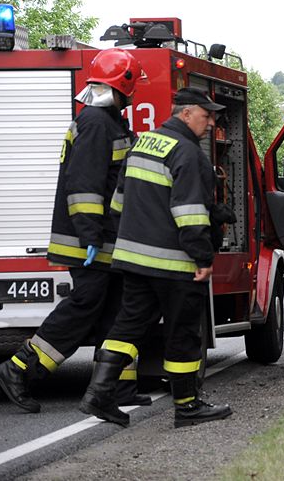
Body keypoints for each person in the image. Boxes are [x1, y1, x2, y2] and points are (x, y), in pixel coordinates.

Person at [0, 48, 150, 413]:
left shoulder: (108, 121)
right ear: (122, 84)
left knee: (116, 308)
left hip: (108, 238)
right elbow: (83, 187)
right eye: (133, 84)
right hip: (90, 240)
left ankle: (114, 386)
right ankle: (18, 369)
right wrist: (91, 236)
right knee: (85, 306)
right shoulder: (97, 123)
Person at [79, 87, 232, 428]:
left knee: (128, 326)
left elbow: (118, 204)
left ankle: (97, 395)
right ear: (186, 113)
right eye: (206, 116)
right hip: (174, 264)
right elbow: (188, 214)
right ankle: (188, 406)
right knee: (182, 333)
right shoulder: (189, 154)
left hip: (133, 260)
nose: (209, 125)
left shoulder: (141, 144)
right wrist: (203, 257)